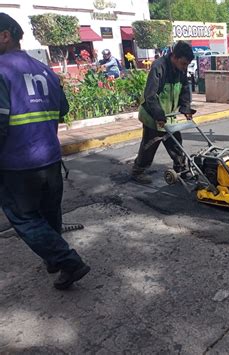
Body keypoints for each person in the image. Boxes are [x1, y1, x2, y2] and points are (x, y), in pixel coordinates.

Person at [0, 13, 90, 289]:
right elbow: (62, 109)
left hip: (17, 162)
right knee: (50, 214)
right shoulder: (45, 70)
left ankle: (67, 261)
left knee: (24, 218)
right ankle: (54, 261)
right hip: (50, 157)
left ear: (5, 35)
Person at [131, 41, 195, 184]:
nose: (185, 67)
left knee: (176, 143)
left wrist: (185, 108)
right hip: (153, 114)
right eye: (184, 63)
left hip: (169, 114)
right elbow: (150, 95)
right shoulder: (159, 66)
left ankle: (181, 170)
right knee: (150, 145)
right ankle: (138, 171)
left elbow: (185, 88)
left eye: (187, 64)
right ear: (174, 57)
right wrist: (159, 115)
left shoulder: (181, 69)